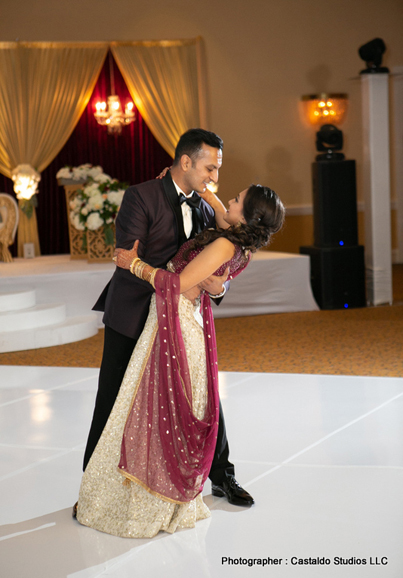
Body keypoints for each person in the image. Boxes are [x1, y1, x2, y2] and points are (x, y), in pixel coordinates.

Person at [76, 183, 285, 538]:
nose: (226, 196)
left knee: (157, 406)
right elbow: (220, 219)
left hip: (176, 320)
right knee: (150, 402)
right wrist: (209, 194)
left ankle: (151, 496)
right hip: (172, 317)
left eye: (236, 198)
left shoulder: (224, 242)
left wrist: (135, 264)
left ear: (247, 216)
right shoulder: (241, 241)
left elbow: (177, 282)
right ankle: (140, 486)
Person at [80, 129, 251, 511]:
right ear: (186, 162)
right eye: (210, 167)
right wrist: (178, 283)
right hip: (135, 311)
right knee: (111, 398)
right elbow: (127, 256)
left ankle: (222, 475)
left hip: (182, 318)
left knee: (205, 396)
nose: (215, 177)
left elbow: (220, 268)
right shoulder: (141, 195)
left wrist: (216, 288)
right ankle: (89, 488)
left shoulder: (210, 209)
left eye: (218, 169)